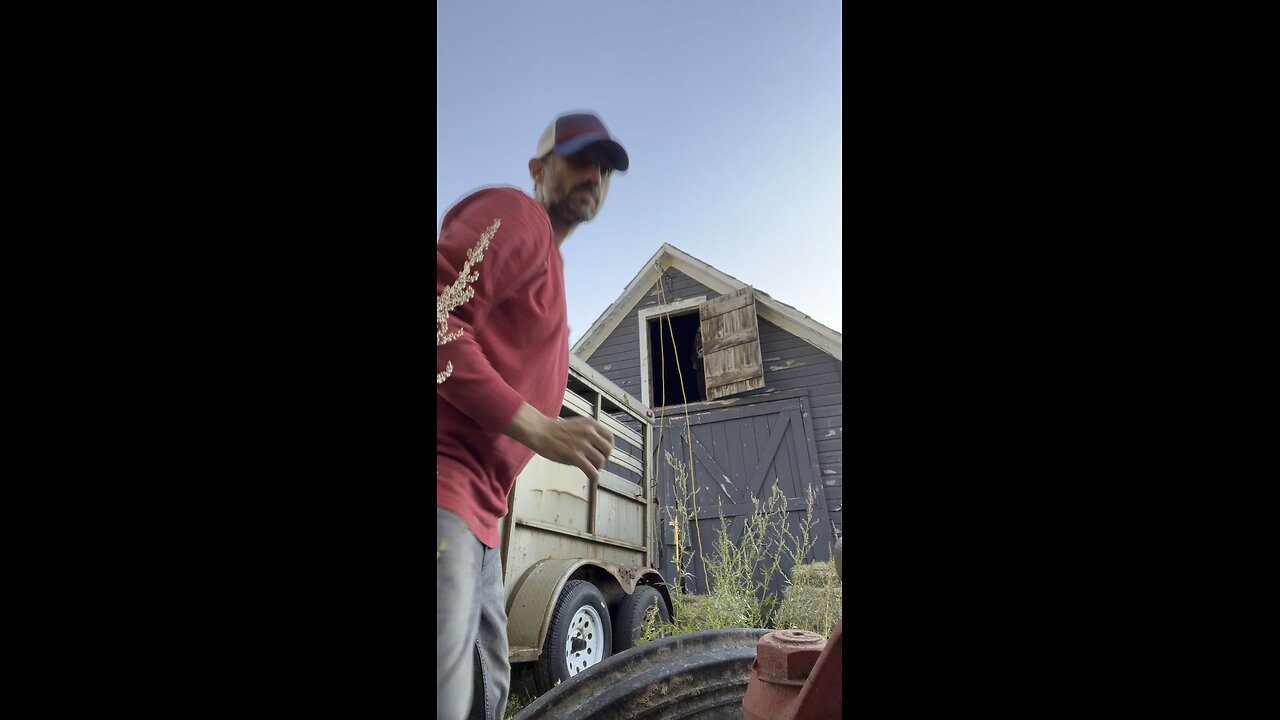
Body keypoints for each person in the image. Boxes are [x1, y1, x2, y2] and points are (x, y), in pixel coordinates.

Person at [436, 111, 629, 720]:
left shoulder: (553, 270)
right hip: (446, 484)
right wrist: (542, 429)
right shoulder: (517, 214)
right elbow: (440, 321)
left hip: (484, 517)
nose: (593, 175)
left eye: (604, 167)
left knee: (485, 695)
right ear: (538, 169)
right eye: (578, 159)